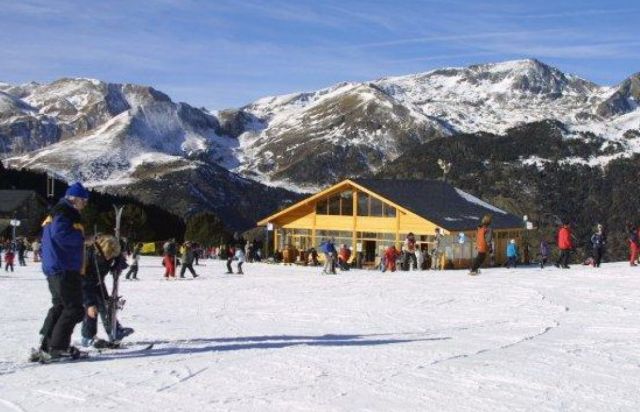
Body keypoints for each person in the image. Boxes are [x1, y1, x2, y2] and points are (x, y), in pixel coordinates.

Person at [36, 182, 90, 361]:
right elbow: (61, 235)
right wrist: (83, 239)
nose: (85, 204)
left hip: (54, 266)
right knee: (74, 308)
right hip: (64, 266)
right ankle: (58, 347)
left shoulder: (56, 212)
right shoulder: (64, 213)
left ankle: (46, 344)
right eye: (84, 201)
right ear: (74, 199)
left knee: (60, 306)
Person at [81, 234, 134, 347]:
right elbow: (83, 277)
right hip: (84, 283)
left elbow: (120, 260)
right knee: (92, 310)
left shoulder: (108, 253)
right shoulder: (89, 254)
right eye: (109, 255)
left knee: (106, 306)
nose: (110, 258)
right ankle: (87, 337)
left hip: (98, 282)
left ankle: (114, 331)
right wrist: (89, 303)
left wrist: (119, 264)